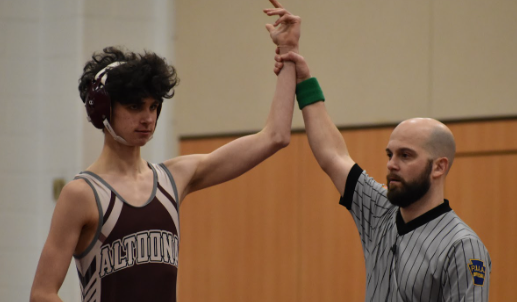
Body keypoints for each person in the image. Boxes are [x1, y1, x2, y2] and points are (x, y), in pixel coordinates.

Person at [29, 1, 300, 301]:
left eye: (153, 107)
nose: (147, 118)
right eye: (135, 107)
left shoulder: (174, 178)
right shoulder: (82, 194)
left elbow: (275, 136)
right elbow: (42, 293)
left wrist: (289, 52)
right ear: (102, 110)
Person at [269, 10, 491, 301]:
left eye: (406, 155)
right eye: (390, 154)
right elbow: (332, 155)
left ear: (439, 167)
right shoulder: (379, 210)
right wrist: (302, 76)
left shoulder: (463, 246)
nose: (391, 164)